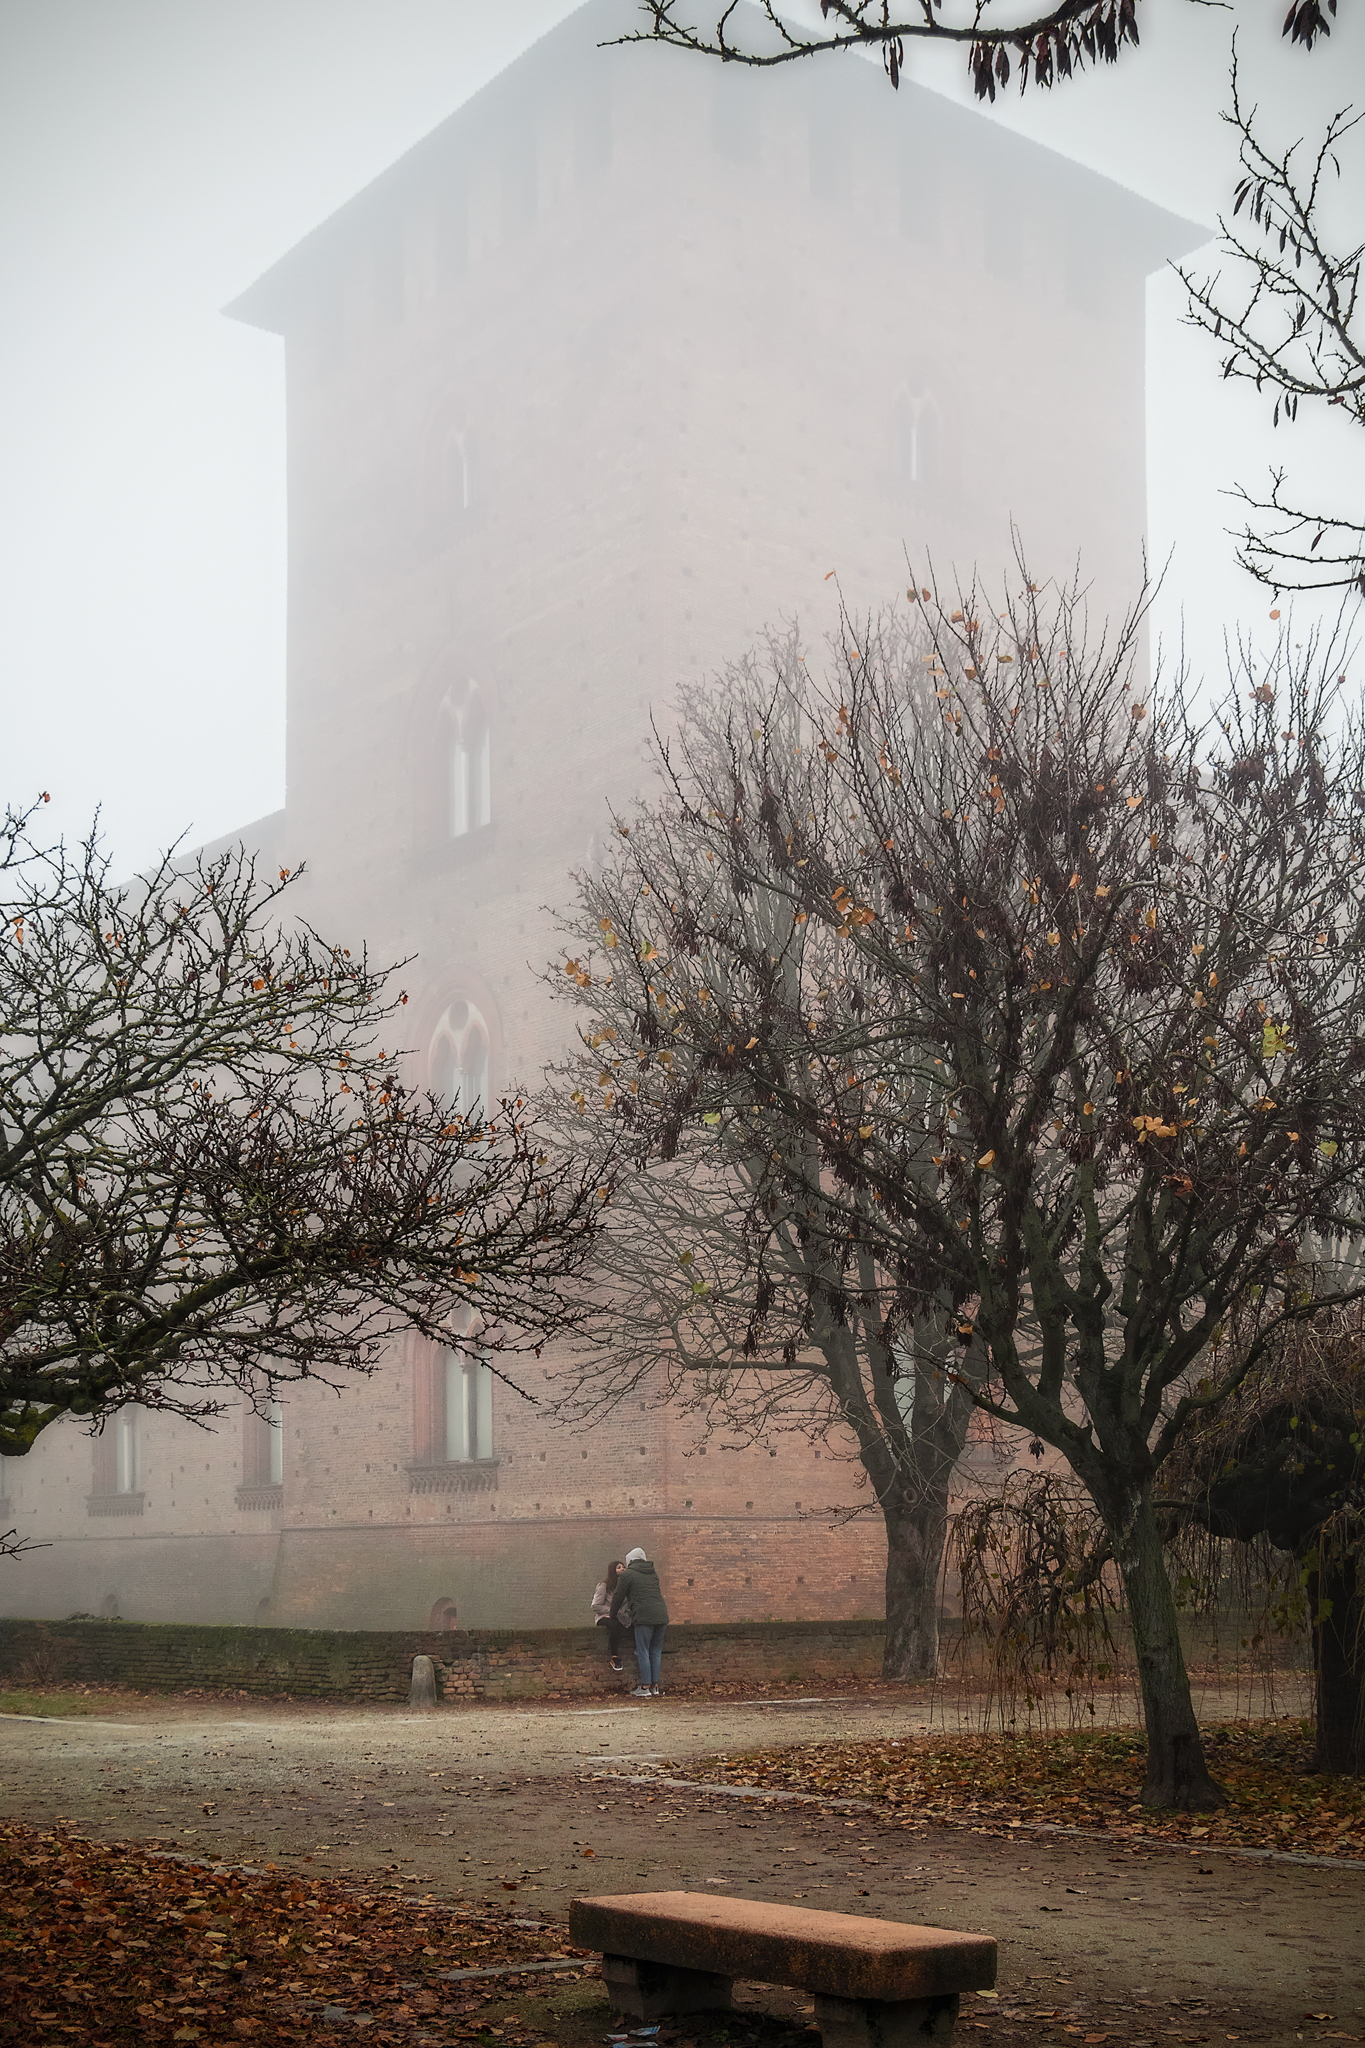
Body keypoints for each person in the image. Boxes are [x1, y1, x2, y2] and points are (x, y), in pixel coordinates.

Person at [610, 1545, 669, 1697]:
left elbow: (618, 1597)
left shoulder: (627, 1575)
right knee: (656, 1651)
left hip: (644, 1616)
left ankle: (645, 1687)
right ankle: (655, 1687)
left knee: (643, 1651)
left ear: (630, 1561)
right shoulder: (653, 1573)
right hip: (661, 1615)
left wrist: (612, 1615)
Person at [591, 1559, 631, 1674]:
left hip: (622, 1617)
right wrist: (612, 1611)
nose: (622, 1569)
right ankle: (614, 1656)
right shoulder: (604, 1586)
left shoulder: (627, 1587)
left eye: (623, 1567)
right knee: (614, 1624)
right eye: (619, 1567)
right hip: (605, 1616)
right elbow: (595, 1606)